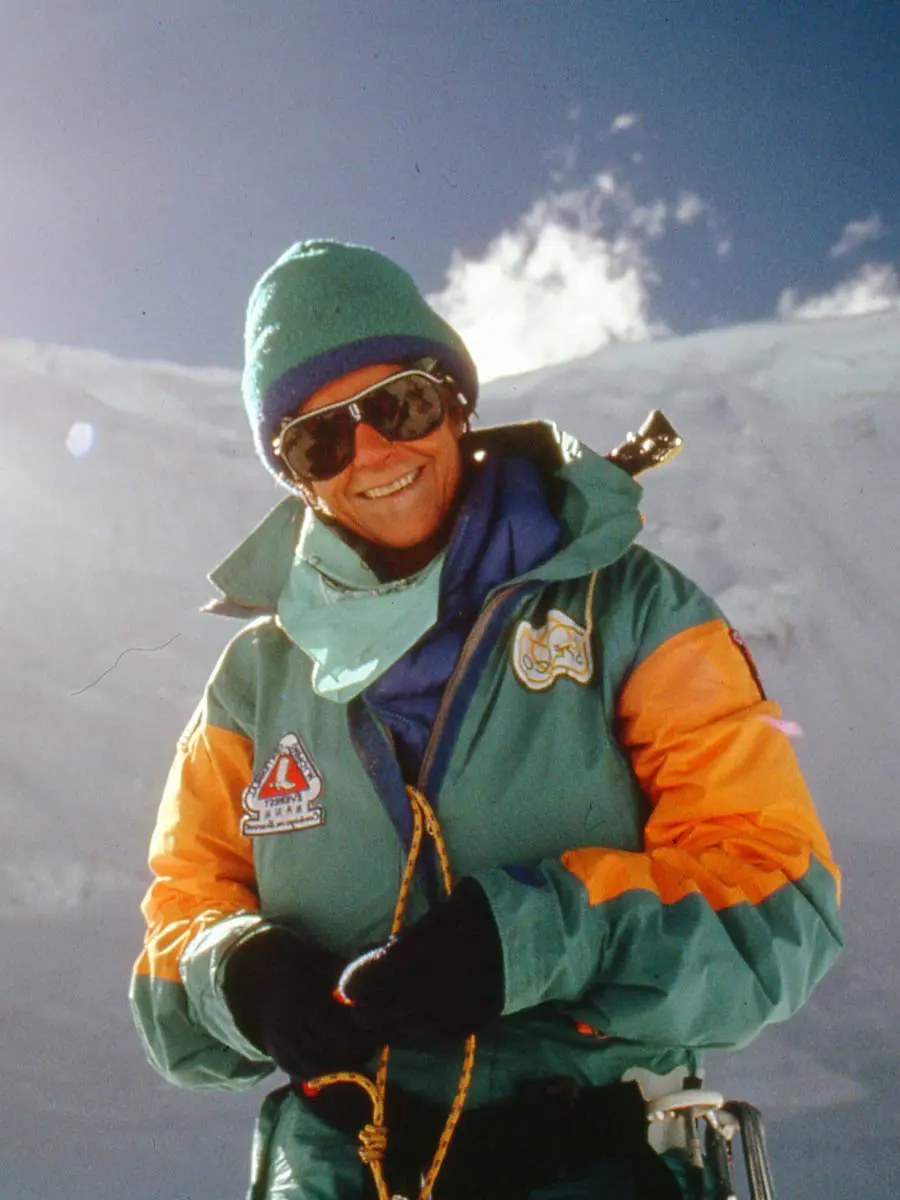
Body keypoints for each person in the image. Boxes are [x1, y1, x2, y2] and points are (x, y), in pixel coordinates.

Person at [130, 239, 842, 1200]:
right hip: (341, 1162)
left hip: (583, 1143)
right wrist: (241, 975)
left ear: (456, 401)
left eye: (400, 404)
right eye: (320, 439)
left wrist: (537, 938)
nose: (373, 451)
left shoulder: (629, 610)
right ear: (295, 475)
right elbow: (180, 930)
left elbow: (777, 902)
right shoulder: (255, 683)